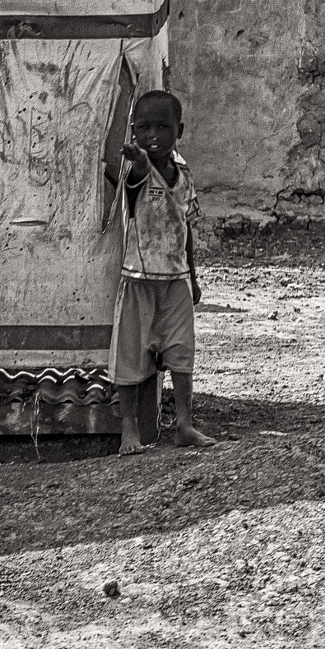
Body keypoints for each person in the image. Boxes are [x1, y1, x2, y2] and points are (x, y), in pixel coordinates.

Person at [111, 90, 215, 455]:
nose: (153, 135)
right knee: (131, 357)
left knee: (182, 354)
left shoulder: (184, 175)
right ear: (134, 132)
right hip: (138, 280)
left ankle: (184, 424)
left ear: (179, 130)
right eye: (144, 128)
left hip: (175, 281)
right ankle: (129, 431)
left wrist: (194, 276)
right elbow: (137, 177)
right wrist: (139, 161)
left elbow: (185, 229)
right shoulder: (137, 171)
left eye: (162, 127)